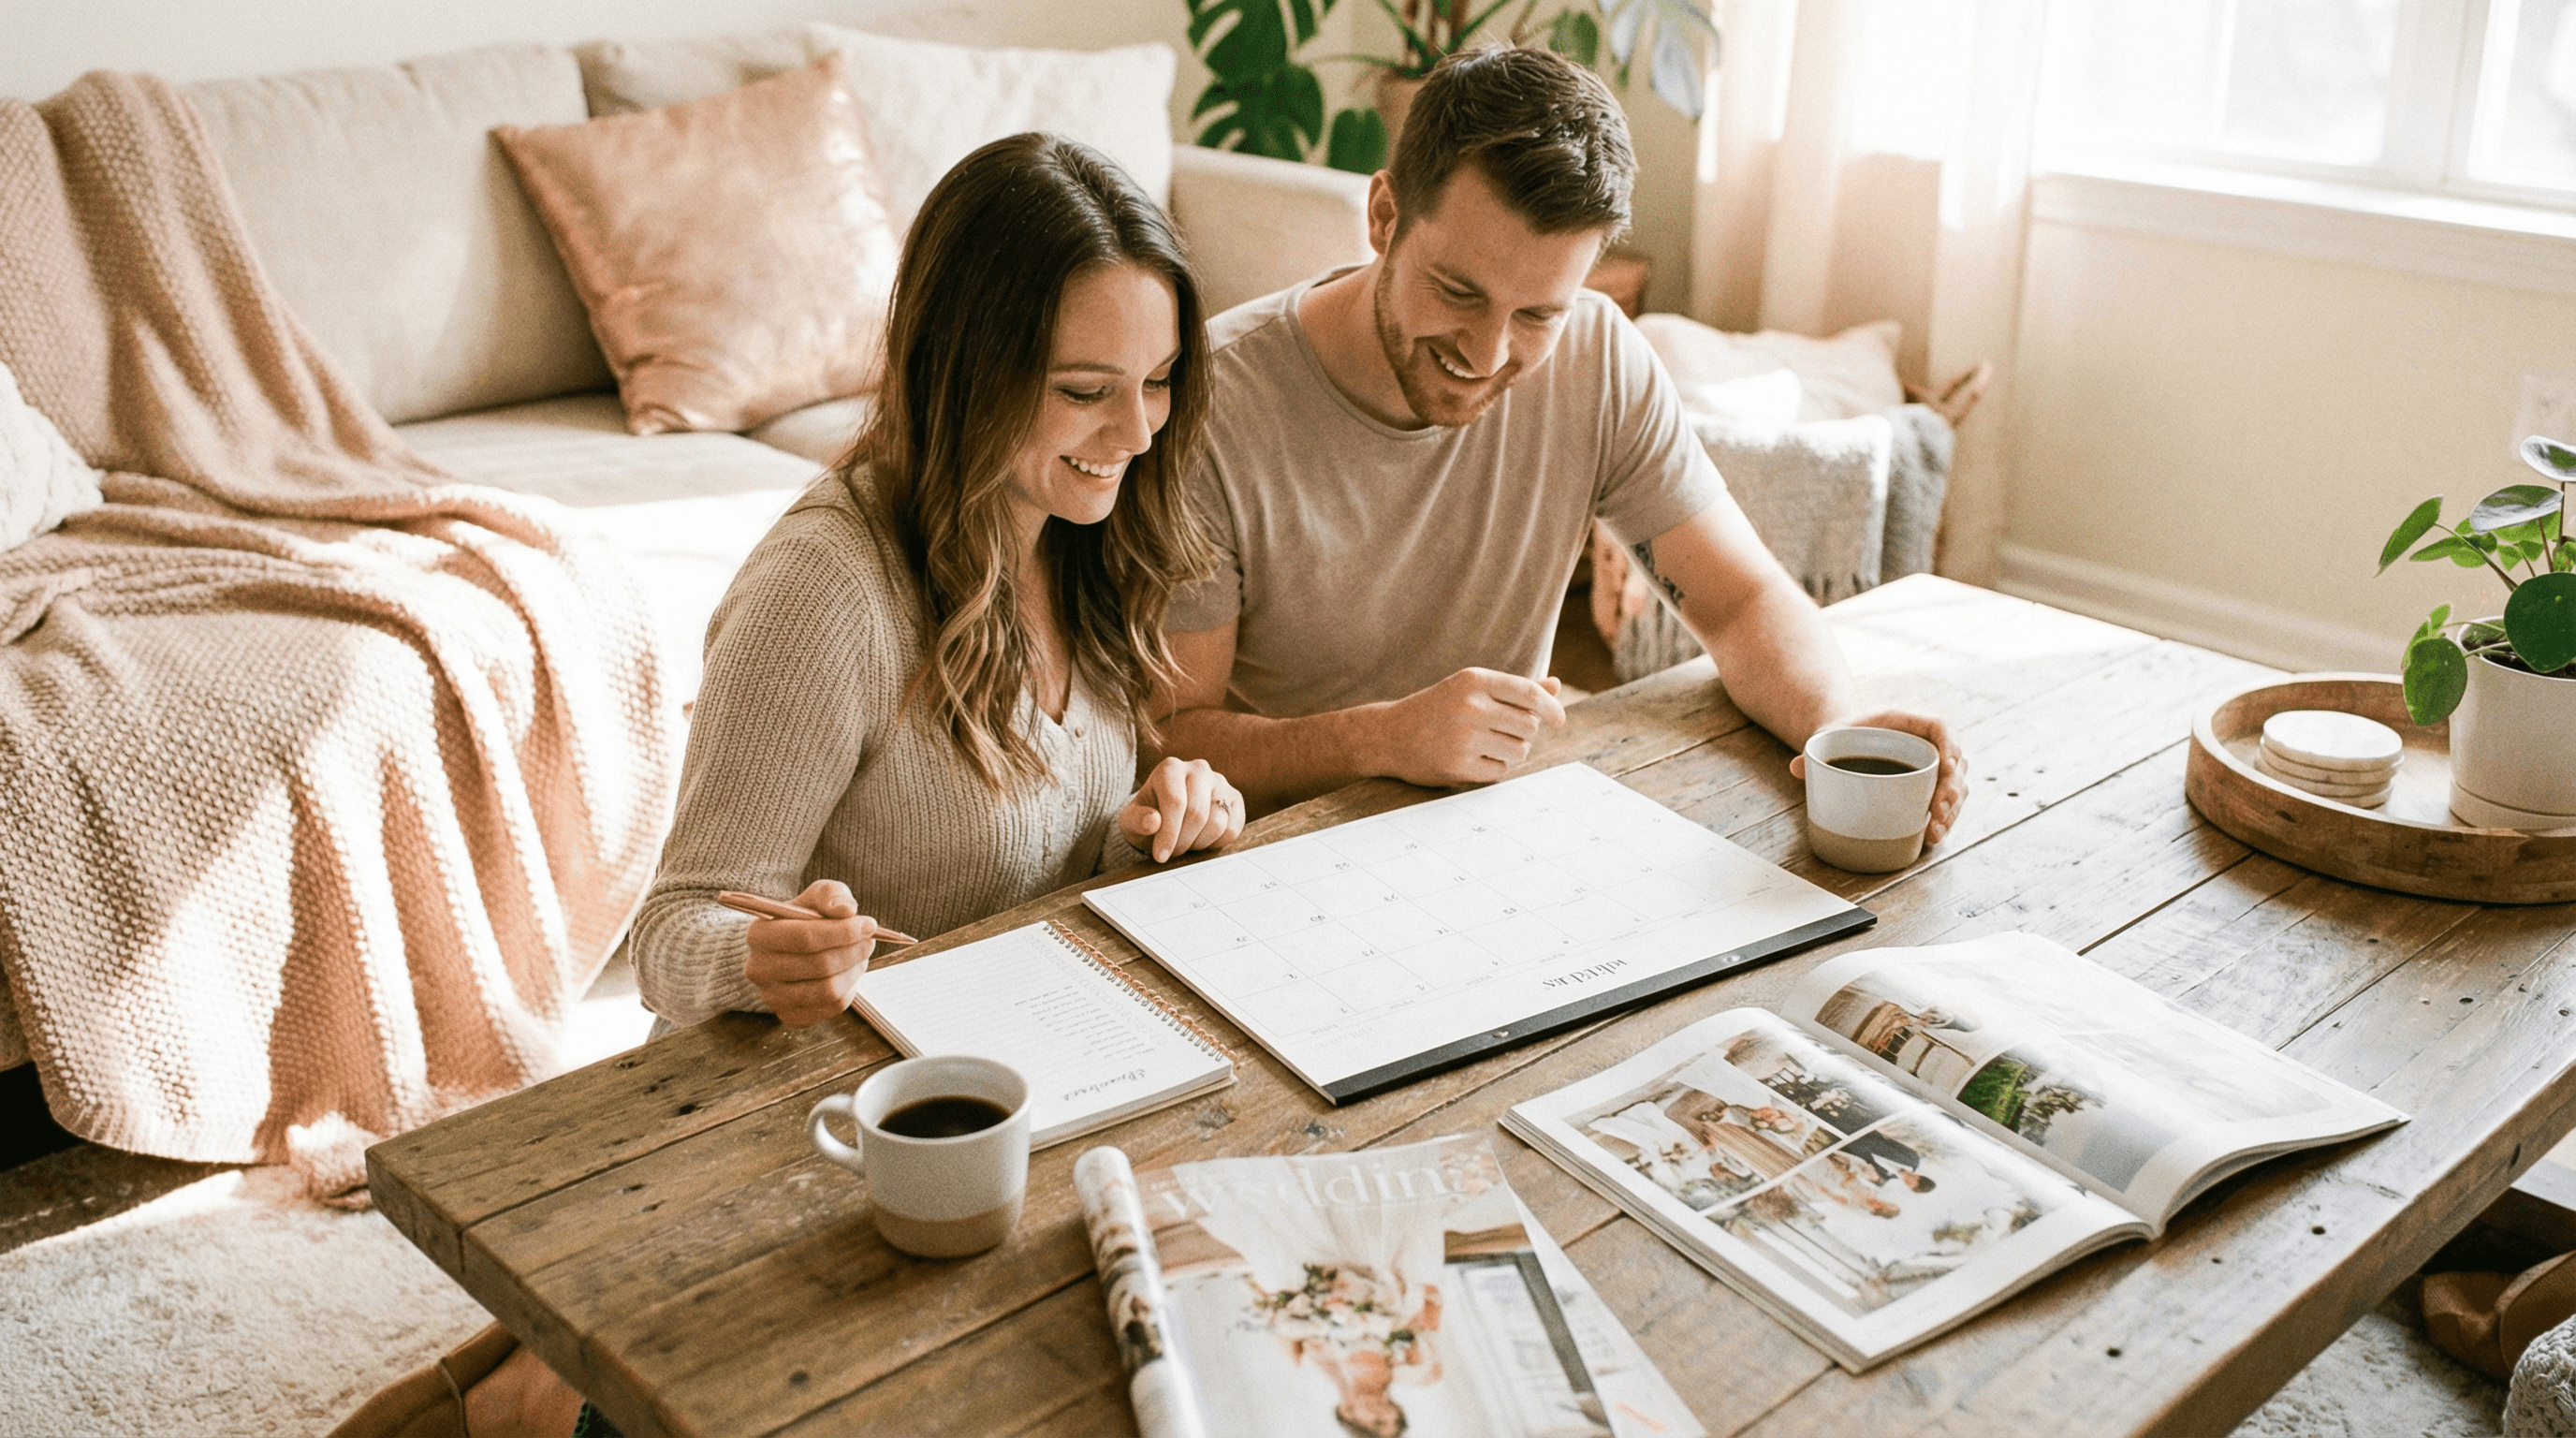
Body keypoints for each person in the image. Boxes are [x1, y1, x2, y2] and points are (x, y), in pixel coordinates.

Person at [329, 132, 1244, 1438]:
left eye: (1158, 383)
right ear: (965, 374)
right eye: (1086, 390)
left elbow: (1038, 844)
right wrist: (770, 961)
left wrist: (1152, 827)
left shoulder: (1088, 541)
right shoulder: (828, 589)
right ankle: (531, 1388)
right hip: (806, 1106)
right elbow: (671, 934)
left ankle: (535, 1363)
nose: (1139, 432)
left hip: (992, 1086)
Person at [1151, 46, 1968, 841]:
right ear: (1384, 217)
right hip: (1271, 848)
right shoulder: (1211, 406)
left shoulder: (1598, 355)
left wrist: (1838, 731)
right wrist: (1383, 737)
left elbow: (1740, 601)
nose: (1487, 355)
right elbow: (1169, 738)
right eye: (1458, 292)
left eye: (1538, 314)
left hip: (1502, 823)